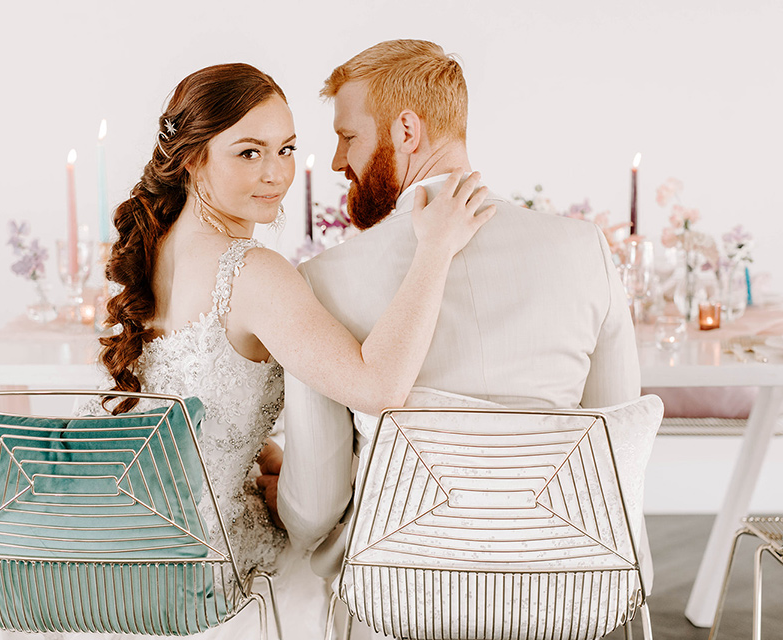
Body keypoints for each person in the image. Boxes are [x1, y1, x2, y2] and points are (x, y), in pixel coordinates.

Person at [0, 62, 494, 640]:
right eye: (249, 152)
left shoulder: (151, 251)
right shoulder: (253, 271)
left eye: (286, 149)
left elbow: (192, 407)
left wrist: (251, 452)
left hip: (99, 522)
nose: (276, 173)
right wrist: (434, 252)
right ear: (191, 158)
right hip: (192, 553)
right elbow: (379, 387)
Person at [273, 39, 646, 635]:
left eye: (348, 137)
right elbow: (614, 451)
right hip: (568, 591)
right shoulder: (585, 251)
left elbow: (315, 507)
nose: (339, 161)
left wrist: (279, 499)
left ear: (406, 130)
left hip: (396, 598)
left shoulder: (322, 281)